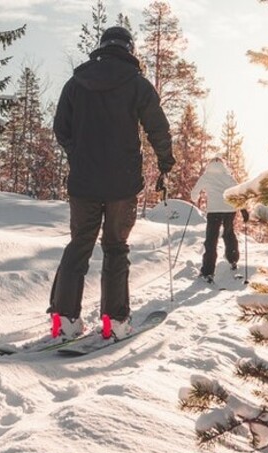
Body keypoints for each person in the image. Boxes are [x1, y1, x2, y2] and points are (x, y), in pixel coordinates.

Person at [49, 26, 175, 342]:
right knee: (116, 248)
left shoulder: (76, 83)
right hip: (122, 185)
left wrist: (78, 153)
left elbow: (60, 128)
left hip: (83, 183)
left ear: (102, 47)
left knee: (79, 245)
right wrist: (165, 162)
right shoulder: (137, 85)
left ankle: (64, 319)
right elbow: (158, 128)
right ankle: (114, 321)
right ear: (129, 49)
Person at [191, 157, 246, 282]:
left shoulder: (207, 176)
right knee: (229, 233)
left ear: (209, 165)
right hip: (229, 210)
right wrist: (243, 209)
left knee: (211, 239)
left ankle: (208, 271)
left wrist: (195, 198)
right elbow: (239, 192)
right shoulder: (228, 176)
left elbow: (194, 193)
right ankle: (233, 260)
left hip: (214, 210)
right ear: (223, 165)